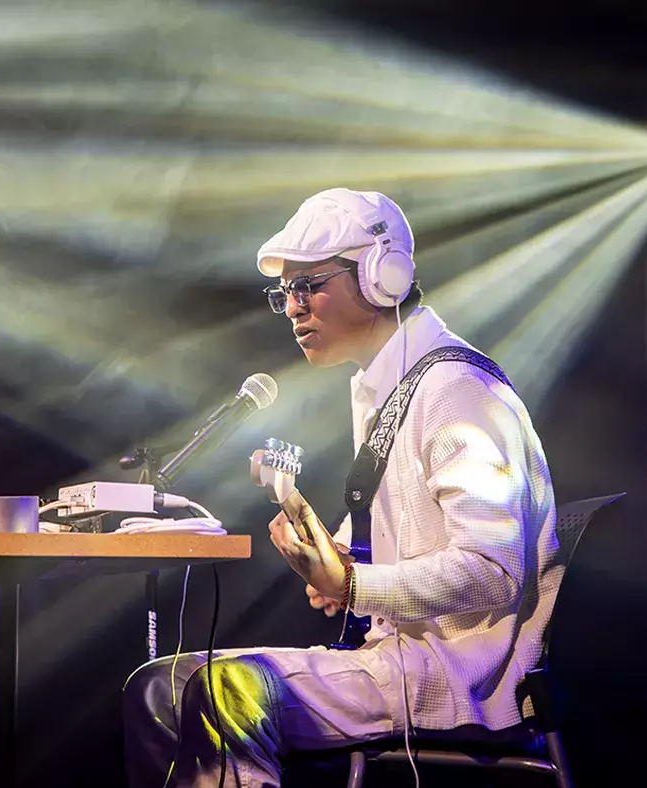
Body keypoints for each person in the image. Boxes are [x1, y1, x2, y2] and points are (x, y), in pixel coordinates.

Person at [122, 188, 558, 787]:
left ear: (384, 277)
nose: (294, 308)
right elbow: (397, 542)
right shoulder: (384, 387)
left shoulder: (458, 391)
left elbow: (493, 570)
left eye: (309, 286)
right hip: (394, 660)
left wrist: (353, 584)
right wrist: (341, 564)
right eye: (286, 294)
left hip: (457, 679)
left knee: (223, 692)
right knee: (156, 687)